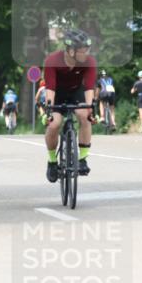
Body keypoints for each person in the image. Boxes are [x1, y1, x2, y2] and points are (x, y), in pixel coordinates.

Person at [42, 29, 96, 181]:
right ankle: (52, 161)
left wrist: (90, 109)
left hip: (76, 92)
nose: (86, 53)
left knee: (84, 115)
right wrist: (49, 111)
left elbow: (89, 87)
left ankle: (83, 159)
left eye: (87, 50)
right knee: (54, 124)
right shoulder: (52, 61)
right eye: (82, 50)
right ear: (71, 51)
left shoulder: (89, 62)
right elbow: (50, 89)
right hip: (57, 93)